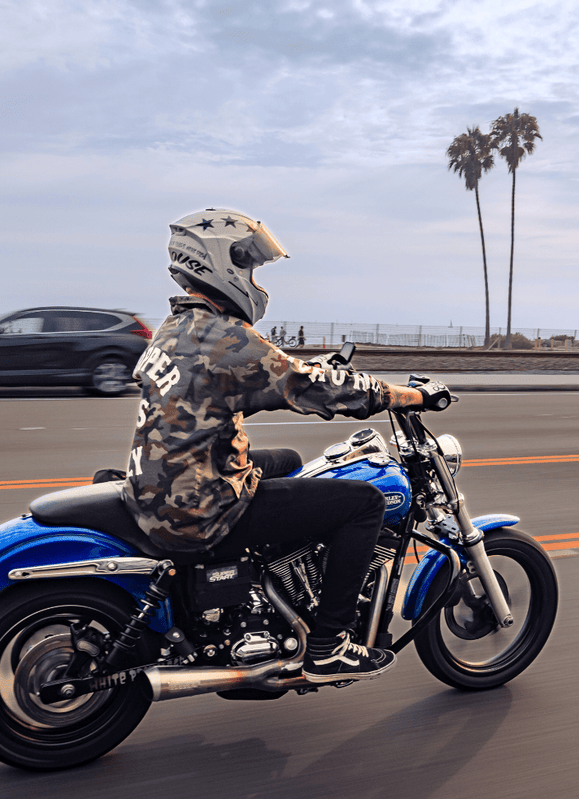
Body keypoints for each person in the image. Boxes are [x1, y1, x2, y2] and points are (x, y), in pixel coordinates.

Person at [122, 208, 451, 684]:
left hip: (163, 484)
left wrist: (306, 371)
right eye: (249, 265)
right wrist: (411, 396)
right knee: (364, 503)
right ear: (221, 263)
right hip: (201, 506)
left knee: (292, 462)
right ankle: (328, 645)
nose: (254, 278)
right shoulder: (226, 337)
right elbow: (312, 388)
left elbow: (235, 384)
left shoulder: (175, 330)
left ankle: (279, 582)